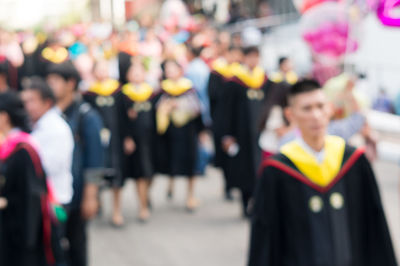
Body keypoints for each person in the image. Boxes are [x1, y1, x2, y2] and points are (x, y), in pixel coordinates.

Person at [248, 80, 397, 266]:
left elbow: (376, 228)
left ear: (330, 109)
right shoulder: (277, 171)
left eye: (320, 106)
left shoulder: (354, 162)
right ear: (290, 114)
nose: (316, 115)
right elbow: (265, 240)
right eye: (307, 108)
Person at [46, 61, 103, 266]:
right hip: (54, 196)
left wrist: (91, 196)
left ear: (70, 83)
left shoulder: (86, 115)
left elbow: (96, 160)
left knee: (77, 245)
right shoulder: (48, 115)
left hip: (78, 195)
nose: (50, 86)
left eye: (54, 81)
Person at [0, 92, 50, 266]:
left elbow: (31, 197)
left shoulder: (24, 150)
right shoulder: (6, 144)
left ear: (4, 117)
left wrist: (6, 202)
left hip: (19, 233)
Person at [221, 46, 270, 217]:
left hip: (261, 134)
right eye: (250, 57)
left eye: (256, 57)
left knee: (261, 168)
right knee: (244, 169)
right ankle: (245, 203)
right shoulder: (234, 83)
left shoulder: (265, 80)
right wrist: (227, 135)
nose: (253, 60)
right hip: (241, 134)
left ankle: (258, 204)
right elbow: (226, 111)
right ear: (244, 58)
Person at [156, 59, 204, 211]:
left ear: (180, 71)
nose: (170, 73)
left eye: (173, 69)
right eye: (167, 70)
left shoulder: (189, 88)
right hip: (170, 132)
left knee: (190, 163)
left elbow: (198, 109)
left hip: (188, 132)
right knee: (171, 160)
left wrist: (180, 105)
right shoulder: (163, 90)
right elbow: (156, 109)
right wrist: (165, 107)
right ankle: (171, 184)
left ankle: (190, 196)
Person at [81, 59, 124, 226]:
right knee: (97, 168)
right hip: (96, 140)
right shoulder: (89, 94)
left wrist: (127, 137)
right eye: (99, 69)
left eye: (105, 69)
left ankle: (117, 211)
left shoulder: (118, 92)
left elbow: (123, 116)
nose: (102, 72)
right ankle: (96, 201)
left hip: (115, 139)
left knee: (116, 172)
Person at [118, 59, 157, 223]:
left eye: (140, 71)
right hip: (136, 140)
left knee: (151, 173)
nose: (137, 75)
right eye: (133, 72)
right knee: (141, 173)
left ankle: (146, 196)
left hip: (152, 139)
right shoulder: (123, 95)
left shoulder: (152, 94)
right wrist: (127, 137)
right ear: (127, 75)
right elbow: (120, 119)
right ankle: (143, 207)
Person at [208, 45, 243, 200]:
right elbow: (212, 95)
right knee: (224, 153)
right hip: (221, 120)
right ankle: (227, 184)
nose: (234, 58)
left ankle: (237, 184)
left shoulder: (242, 76)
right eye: (232, 54)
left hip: (238, 121)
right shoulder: (216, 74)